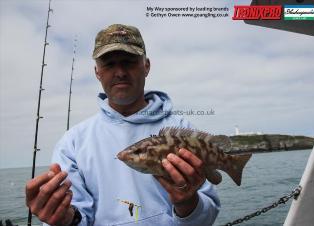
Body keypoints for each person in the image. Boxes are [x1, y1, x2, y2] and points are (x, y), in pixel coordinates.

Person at [25, 24, 220, 226]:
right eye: (109, 64)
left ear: (146, 66)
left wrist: (189, 203)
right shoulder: (72, 143)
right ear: (97, 72)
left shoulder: (182, 128)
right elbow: (77, 216)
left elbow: (208, 215)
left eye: (129, 62)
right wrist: (66, 219)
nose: (120, 72)